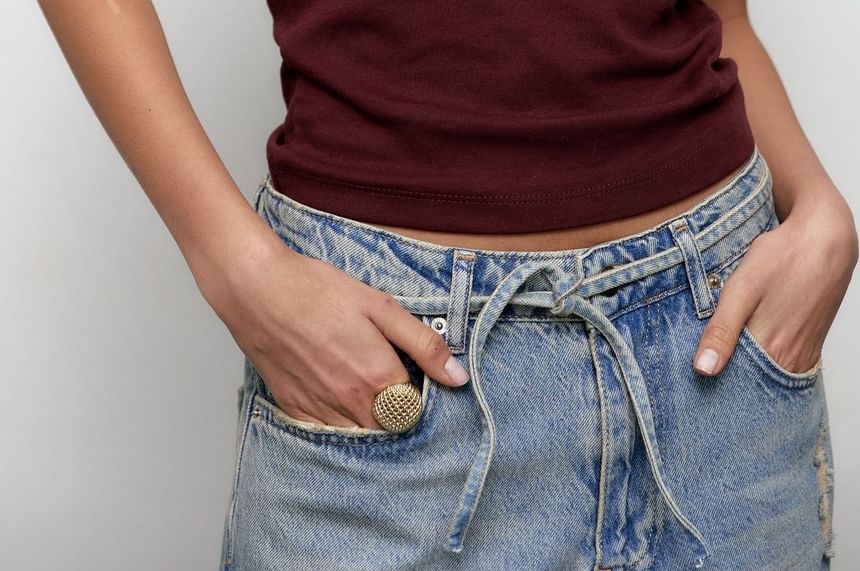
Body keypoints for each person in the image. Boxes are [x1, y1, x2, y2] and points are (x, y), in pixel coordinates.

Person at [39, 0, 856, 569]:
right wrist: (237, 269)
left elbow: (723, 17)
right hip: (397, 375)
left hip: (715, 363)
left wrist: (816, 202)